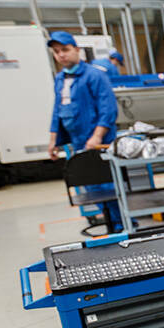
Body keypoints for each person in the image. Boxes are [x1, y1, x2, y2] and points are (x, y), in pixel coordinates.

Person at [46, 31, 121, 230]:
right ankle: (113, 224)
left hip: (99, 142)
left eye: (65, 49)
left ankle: (122, 225)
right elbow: (57, 111)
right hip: (78, 141)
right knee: (91, 186)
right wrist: (53, 140)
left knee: (108, 186)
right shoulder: (60, 79)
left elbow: (108, 109)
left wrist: (97, 137)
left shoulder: (95, 76)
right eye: (56, 52)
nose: (61, 55)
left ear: (77, 50)